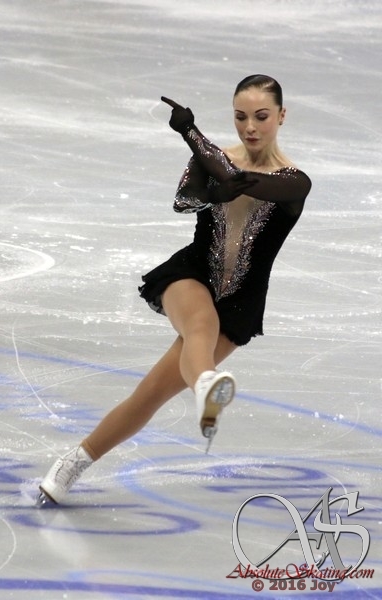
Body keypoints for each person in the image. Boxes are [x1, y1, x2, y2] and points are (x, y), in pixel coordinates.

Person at [37, 74, 311, 506]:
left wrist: (189, 132)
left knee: (149, 395)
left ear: (281, 115)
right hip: (192, 274)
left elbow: (241, 180)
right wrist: (209, 192)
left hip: (240, 301)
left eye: (261, 116)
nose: (250, 127)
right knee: (200, 324)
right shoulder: (213, 158)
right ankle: (206, 387)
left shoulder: (295, 182)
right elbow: (183, 201)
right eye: (240, 117)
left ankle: (72, 462)